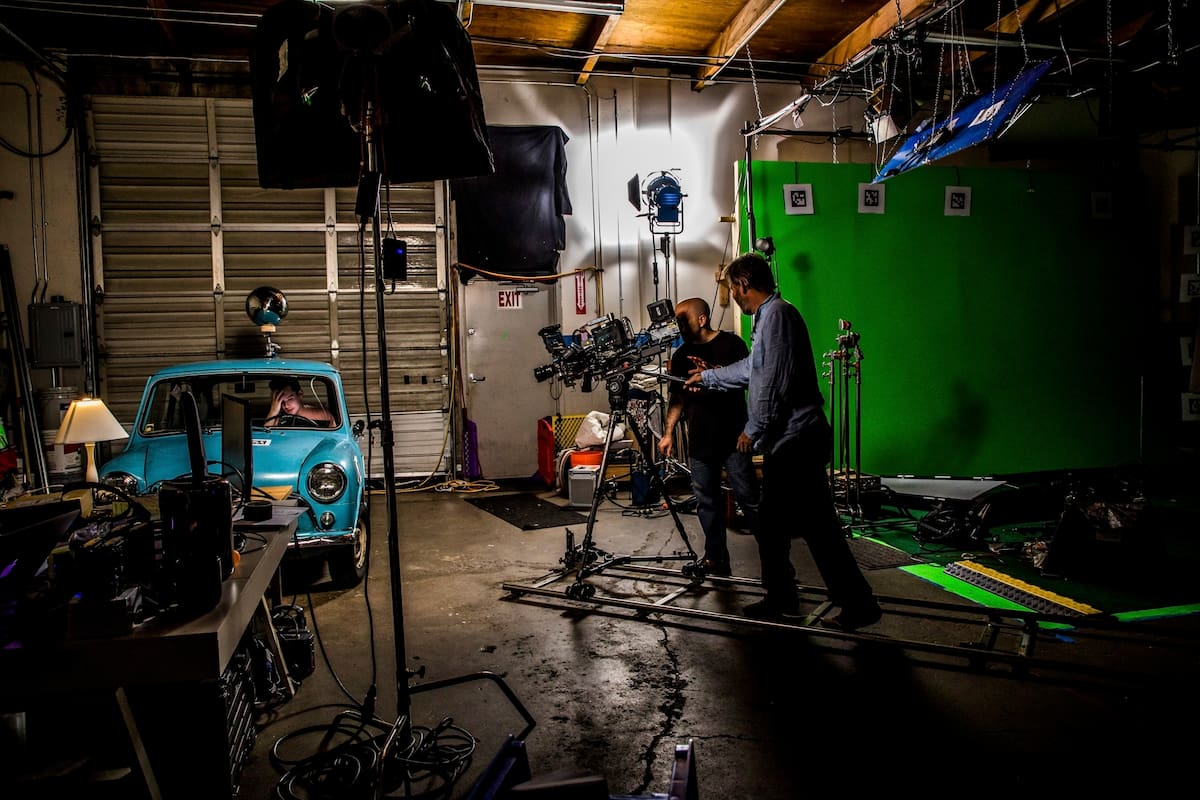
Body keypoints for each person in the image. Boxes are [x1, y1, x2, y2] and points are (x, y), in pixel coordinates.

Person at [685, 253, 881, 628]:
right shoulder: (770, 317)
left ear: (743, 285)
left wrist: (753, 428)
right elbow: (751, 369)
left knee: (804, 528)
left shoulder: (776, 316)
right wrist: (709, 378)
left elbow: (770, 381)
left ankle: (843, 603)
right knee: (783, 527)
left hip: (796, 441)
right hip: (794, 441)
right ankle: (794, 598)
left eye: (733, 290)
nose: (734, 299)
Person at [657, 297, 758, 577]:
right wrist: (667, 434)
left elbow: (747, 381)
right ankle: (716, 558)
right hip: (700, 443)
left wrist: (713, 374)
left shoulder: (732, 345)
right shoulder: (679, 356)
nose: (678, 325)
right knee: (707, 503)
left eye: (682, 319)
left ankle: (777, 563)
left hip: (735, 440)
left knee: (750, 501)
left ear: (702, 319)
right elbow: (676, 399)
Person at [266, 377, 335, 428]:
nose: (286, 405)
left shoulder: (323, 414)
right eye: (281, 402)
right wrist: (273, 410)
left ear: (300, 394)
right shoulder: (278, 418)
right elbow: (267, 436)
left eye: (290, 399)